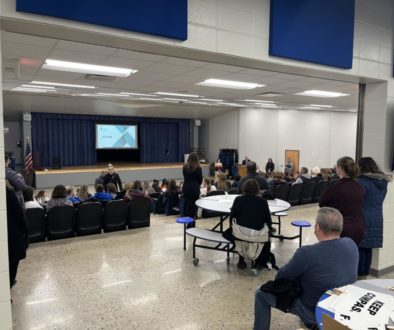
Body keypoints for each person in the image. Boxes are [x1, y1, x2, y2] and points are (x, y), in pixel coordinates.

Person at [254, 207, 358, 330]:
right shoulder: (351, 243)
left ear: (317, 227)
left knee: (260, 293)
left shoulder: (307, 253)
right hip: (341, 307)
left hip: (313, 311)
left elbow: (281, 277)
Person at [223, 179, 273, 269]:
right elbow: (269, 221)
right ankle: (259, 261)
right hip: (257, 234)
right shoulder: (263, 202)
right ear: (258, 189)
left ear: (244, 188)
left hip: (240, 234)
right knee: (267, 238)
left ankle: (241, 260)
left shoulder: (238, 200)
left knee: (231, 233)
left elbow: (232, 217)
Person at [357, 157, 392, 279]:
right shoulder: (382, 183)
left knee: (360, 248)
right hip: (377, 218)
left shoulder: (360, 182)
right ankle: (364, 276)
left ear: (360, 167)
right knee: (368, 248)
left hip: (362, 218)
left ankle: (359, 279)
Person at [319, 156, 364, 245]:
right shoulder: (359, 187)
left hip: (341, 230)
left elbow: (322, 204)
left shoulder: (335, 187)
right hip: (358, 228)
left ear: (340, 168)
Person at [6, 181, 29, 288]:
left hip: (11, 237)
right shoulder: (8, 192)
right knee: (12, 265)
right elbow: (19, 215)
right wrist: (26, 231)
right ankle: (8, 288)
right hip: (12, 238)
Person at [182, 152, 203, 224]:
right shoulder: (198, 168)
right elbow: (200, 180)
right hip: (194, 189)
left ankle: (188, 221)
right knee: (193, 207)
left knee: (188, 205)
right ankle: (192, 222)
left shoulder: (185, 167)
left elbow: (185, 177)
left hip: (186, 189)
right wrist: (196, 184)